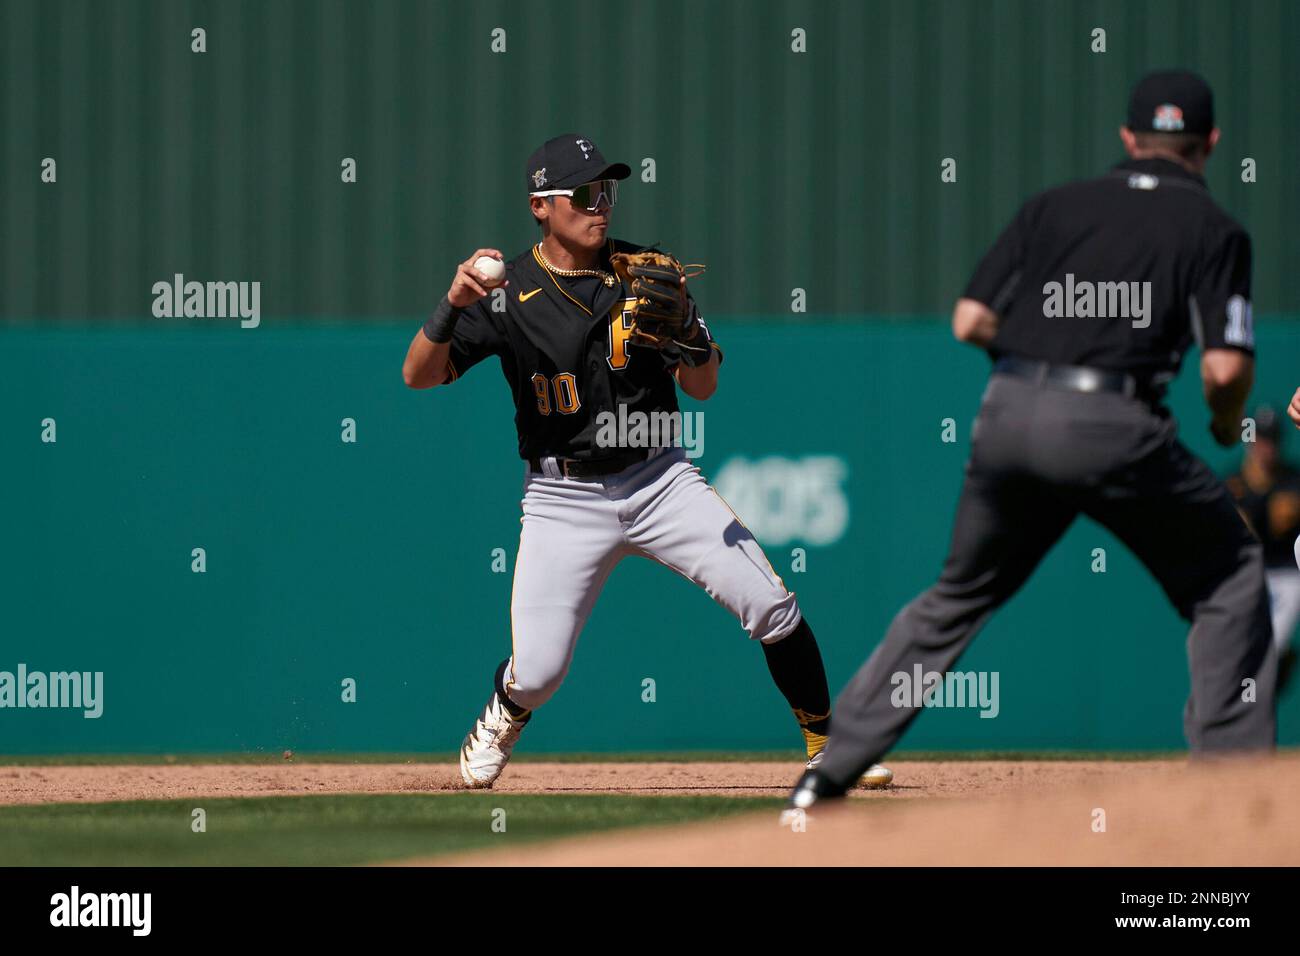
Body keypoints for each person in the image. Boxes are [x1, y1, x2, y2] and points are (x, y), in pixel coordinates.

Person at [786, 70, 1276, 816]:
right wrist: (1220, 421)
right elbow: (1225, 367)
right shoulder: (1215, 227)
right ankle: (1232, 795)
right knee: (1232, 579)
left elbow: (970, 320)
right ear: (1209, 143)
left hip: (1009, 411)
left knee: (955, 599)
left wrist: (1037, 378)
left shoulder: (1055, 206)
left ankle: (826, 774)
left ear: (1127, 138)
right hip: (1117, 424)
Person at [402, 133, 891, 789]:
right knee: (540, 672)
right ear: (540, 206)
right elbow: (418, 375)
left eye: (606, 189)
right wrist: (453, 303)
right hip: (562, 498)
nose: (600, 203)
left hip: (660, 480)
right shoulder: (507, 292)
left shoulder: (646, 271)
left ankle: (830, 749)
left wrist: (690, 336)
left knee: (772, 606)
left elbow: (704, 387)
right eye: (582, 192)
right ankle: (507, 707)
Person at [1227, 406, 1300, 691]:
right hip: (1248, 577)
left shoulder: (1294, 482)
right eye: (1260, 438)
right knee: (1243, 651)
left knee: (1269, 648)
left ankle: (1277, 665)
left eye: (1271, 439)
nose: (1266, 446)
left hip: (1287, 577)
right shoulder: (1234, 484)